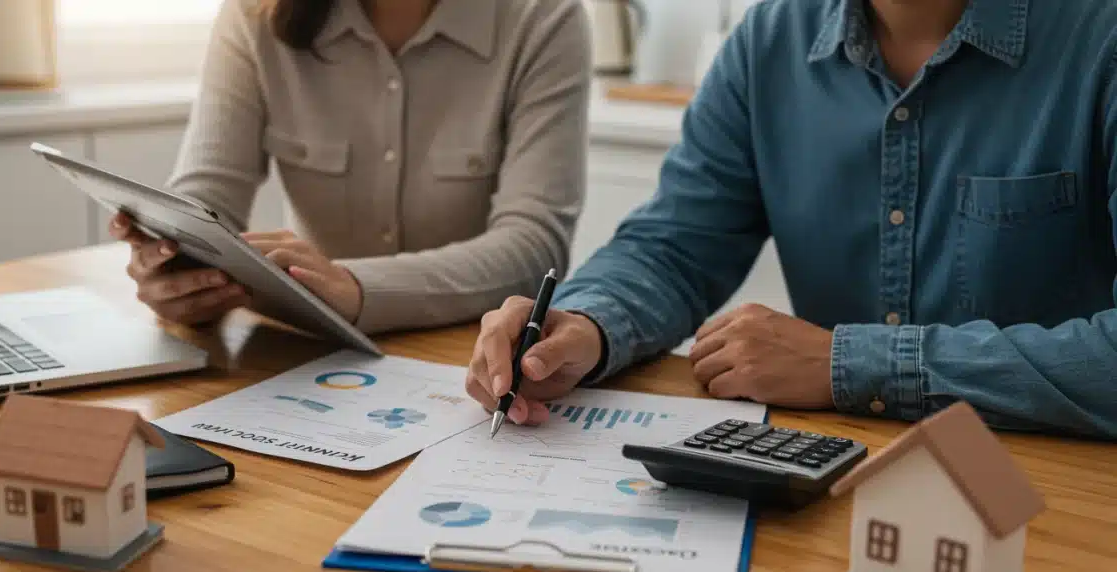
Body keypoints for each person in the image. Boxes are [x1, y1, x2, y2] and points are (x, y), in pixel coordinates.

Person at [466, 0, 1117, 437]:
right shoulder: (770, 40)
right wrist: (585, 323)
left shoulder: (1100, 40)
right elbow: (675, 247)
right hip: (833, 473)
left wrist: (853, 363)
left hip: (1058, 493)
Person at [110, 0, 589, 334]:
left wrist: (358, 289)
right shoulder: (254, 13)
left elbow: (534, 246)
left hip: (476, 362)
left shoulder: (544, 18)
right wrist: (179, 264)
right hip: (308, 355)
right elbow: (208, 194)